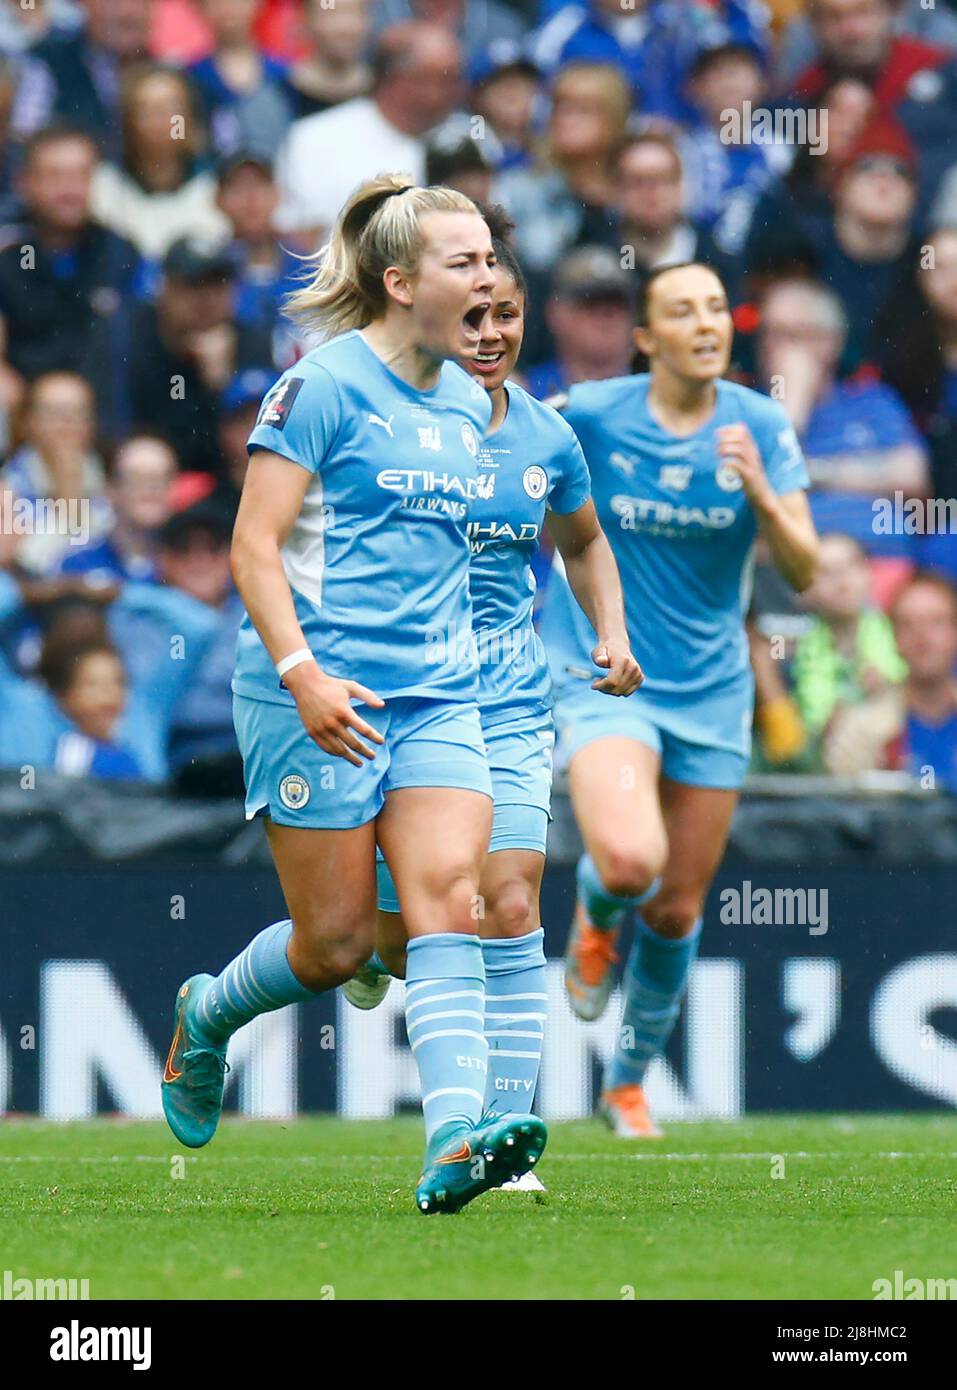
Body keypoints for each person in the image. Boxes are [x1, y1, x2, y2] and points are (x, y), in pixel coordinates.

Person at [160, 174, 548, 1215]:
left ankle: (454, 1140)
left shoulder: (476, 400)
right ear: (400, 280)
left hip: (438, 697)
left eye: (489, 260)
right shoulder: (321, 384)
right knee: (335, 945)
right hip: (312, 690)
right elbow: (254, 547)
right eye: (464, 261)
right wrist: (303, 674)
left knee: (449, 902)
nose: (487, 277)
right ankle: (207, 1015)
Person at [342, 209, 641, 1189]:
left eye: (504, 314)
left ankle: (500, 1143)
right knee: (365, 937)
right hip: (400, 699)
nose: (489, 333)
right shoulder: (385, 415)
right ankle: (238, 998)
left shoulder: (549, 433)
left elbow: (587, 538)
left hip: (508, 702)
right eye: (471, 315)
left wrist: (611, 630)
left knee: (507, 901)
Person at [538, 261, 818, 1137]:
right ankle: (591, 912)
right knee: (628, 861)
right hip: (605, 673)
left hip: (711, 691)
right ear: (647, 338)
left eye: (714, 310)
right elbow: (506, 453)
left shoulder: (760, 426)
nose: (705, 324)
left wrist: (762, 495)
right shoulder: (590, 412)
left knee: (675, 907)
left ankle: (624, 1085)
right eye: (680, 311)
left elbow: (804, 571)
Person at [0, 125, 141, 438]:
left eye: (80, 176)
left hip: (105, 421)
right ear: (24, 182)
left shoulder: (121, 252)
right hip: (26, 422)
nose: (70, 190)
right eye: (54, 176)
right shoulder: (7, 256)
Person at [274, 22, 462, 243]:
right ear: (391, 77)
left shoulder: (466, 137)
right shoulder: (315, 138)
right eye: (430, 79)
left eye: (452, 80)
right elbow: (298, 235)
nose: (439, 94)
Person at [825, 571, 957, 786]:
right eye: (908, 624)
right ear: (893, 637)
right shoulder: (857, 730)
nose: (922, 637)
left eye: (936, 622)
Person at [89, 63, 230, 262]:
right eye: (147, 109)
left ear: (190, 117)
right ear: (129, 122)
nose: (162, 118)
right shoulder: (106, 185)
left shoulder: (216, 184)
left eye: (172, 107)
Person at [524, 245, 637, 399]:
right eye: (590, 304)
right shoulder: (525, 395)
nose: (605, 317)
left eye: (617, 305)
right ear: (556, 313)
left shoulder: (656, 398)